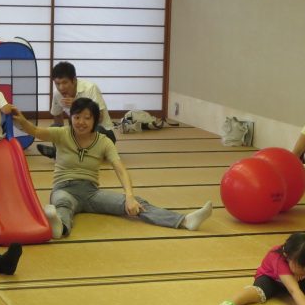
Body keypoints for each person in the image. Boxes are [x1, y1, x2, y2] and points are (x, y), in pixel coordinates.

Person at [11, 98, 212, 239]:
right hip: (64, 188)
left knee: (137, 204)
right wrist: (21, 120)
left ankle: (185, 221)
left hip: (91, 193)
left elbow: (120, 168)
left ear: (95, 120)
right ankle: (60, 228)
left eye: (87, 118)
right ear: (70, 117)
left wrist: (130, 196)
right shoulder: (61, 133)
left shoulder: (104, 141)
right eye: (77, 117)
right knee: (62, 204)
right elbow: (35, 131)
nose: (81, 122)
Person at [36, 61, 115, 158]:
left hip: (102, 133)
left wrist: (78, 104)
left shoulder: (90, 88)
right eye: (57, 83)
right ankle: (66, 152)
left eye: (65, 82)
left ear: (74, 80)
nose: (61, 87)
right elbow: (57, 115)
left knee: (97, 130)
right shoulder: (57, 94)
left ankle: (61, 153)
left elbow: (100, 117)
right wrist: (60, 134)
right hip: (78, 134)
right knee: (55, 127)